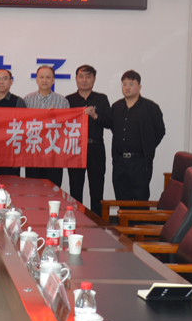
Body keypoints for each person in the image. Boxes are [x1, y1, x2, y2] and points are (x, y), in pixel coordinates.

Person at [110, 70, 166, 201]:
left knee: (141, 198)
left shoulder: (150, 107)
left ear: (139, 87)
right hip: (120, 162)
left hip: (140, 162)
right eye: (124, 84)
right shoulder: (116, 107)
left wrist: (147, 146)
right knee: (121, 198)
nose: (127, 87)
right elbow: (113, 128)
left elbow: (160, 131)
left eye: (131, 84)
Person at [66, 65, 111, 216]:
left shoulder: (101, 99)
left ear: (94, 79)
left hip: (95, 148)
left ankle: (97, 223)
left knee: (97, 190)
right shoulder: (68, 100)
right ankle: (75, 220)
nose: (84, 80)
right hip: (75, 149)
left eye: (88, 76)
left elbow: (110, 123)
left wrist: (96, 116)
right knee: (75, 189)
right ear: (76, 79)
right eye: (81, 76)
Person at [24, 65, 70, 187]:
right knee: (32, 189)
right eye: (41, 77)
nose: (44, 80)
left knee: (53, 190)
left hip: (54, 153)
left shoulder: (62, 101)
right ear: (36, 79)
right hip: (33, 153)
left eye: (48, 77)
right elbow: (22, 126)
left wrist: (57, 117)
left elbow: (68, 127)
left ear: (53, 80)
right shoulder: (27, 100)